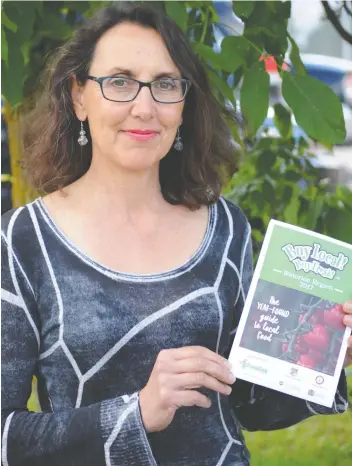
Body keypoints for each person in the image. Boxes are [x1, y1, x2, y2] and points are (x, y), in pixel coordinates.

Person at [1, 3, 351, 466]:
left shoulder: (225, 227)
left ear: (184, 105)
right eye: (120, 81)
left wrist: (323, 357)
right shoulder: (23, 242)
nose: (144, 107)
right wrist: (136, 413)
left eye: (165, 84)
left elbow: (244, 401)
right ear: (79, 96)